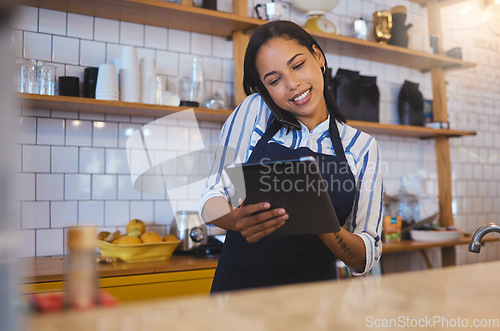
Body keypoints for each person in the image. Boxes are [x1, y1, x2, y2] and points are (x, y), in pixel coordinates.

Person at [199, 20, 383, 293]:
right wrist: (236, 220)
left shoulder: (362, 147)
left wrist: (320, 220)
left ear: (318, 57)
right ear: (265, 88)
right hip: (238, 297)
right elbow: (210, 200)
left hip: (314, 305)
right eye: (275, 80)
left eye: (297, 65)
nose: (293, 84)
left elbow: (365, 258)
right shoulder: (255, 112)